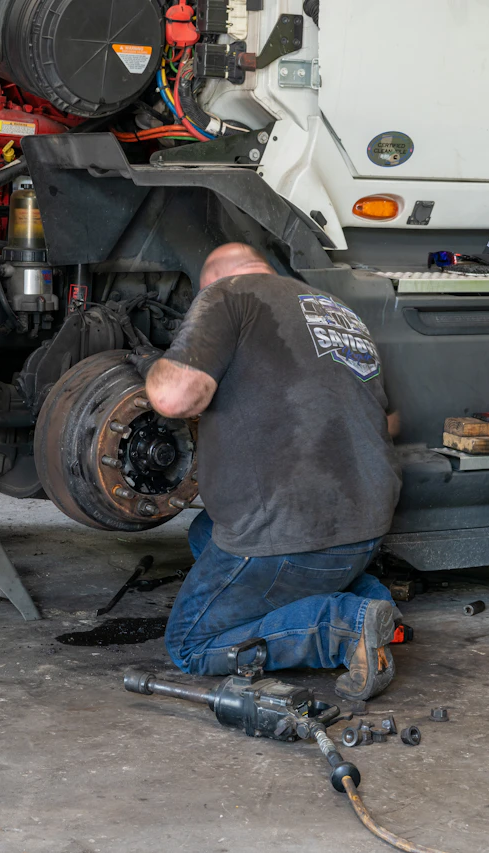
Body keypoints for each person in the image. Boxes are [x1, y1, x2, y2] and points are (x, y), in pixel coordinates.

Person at [130, 243, 403, 700]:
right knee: (206, 532)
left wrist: (152, 365)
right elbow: (388, 419)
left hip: (295, 538)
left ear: (212, 279)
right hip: (365, 529)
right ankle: (376, 604)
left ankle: (342, 628)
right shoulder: (335, 311)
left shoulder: (228, 296)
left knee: (188, 644)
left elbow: (173, 398)